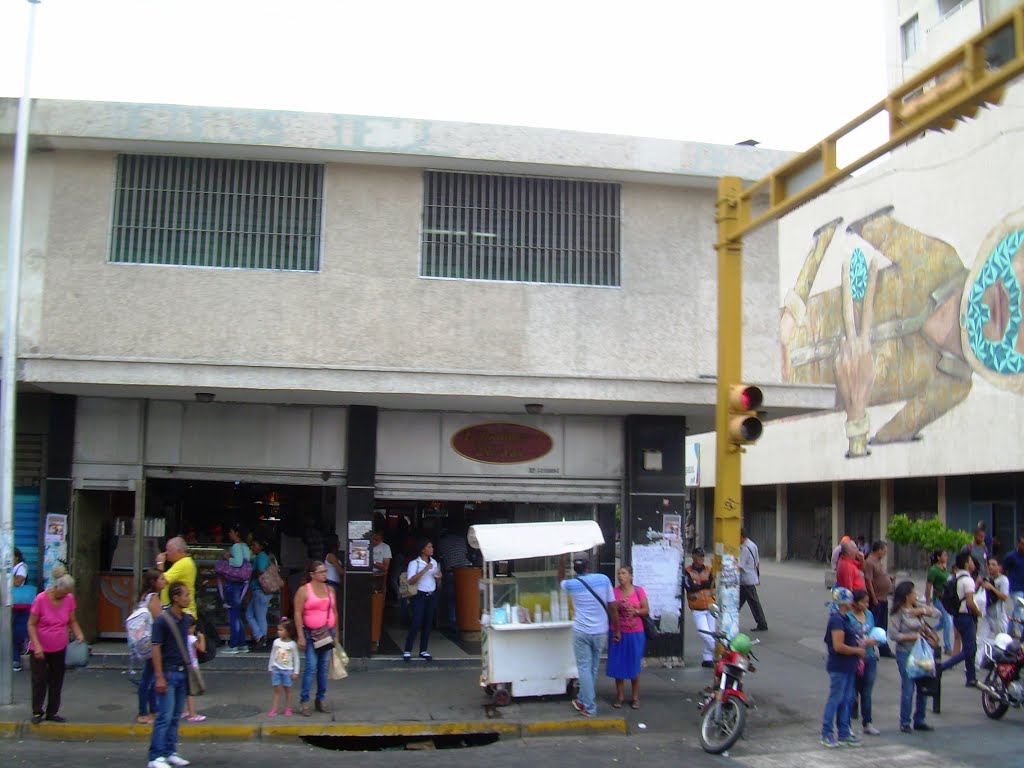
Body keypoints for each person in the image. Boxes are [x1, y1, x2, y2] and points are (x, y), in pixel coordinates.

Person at [560, 556, 617, 718]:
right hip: (600, 632)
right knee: (592, 668)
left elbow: (560, 580)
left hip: (581, 632)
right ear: (588, 566)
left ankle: (590, 707)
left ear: (575, 569)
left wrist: (562, 560)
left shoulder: (572, 584)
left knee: (584, 668)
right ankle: (582, 699)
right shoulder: (603, 579)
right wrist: (617, 628)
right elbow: (612, 605)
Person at [26, 573, 85, 725]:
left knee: (56, 680)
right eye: (63, 593)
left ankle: (52, 711)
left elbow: (72, 620)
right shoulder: (40, 599)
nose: (65, 596)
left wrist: (79, 634)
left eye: (67, 594)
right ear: (56, 588)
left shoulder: (69, 599)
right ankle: (37, 711)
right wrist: (37, 645)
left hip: (59, 647)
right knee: (40, 680)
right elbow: (31, 624)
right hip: (40, 648)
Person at [148, 581, 193, 768]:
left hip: (182, 672)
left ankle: (170, 751)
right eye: (185, 595)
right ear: (176, 598)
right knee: (164, 716)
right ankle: (155, 756)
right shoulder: (162, 621)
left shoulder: (185, 619)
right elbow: (156, 648)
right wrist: (159, 676)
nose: (188, 598)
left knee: (175, 716)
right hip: (168, 672)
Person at [889, 580, 940, 733]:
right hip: (905, 652)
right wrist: (913, 636)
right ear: (906, 596)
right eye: (913, 593)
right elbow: (893, 634)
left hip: (921, 652)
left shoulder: (917, 607)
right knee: (908, 686)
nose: (915, 595)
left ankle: (920, 719)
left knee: (923, 685)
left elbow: (938, 614)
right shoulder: (898, 612)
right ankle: (905, 721)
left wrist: (922, 611)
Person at [820, 587, 866, 748]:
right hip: (839, 666)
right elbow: (838, 646)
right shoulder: (837, 620)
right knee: (836, 699)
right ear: (844, 602)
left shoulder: (845, 619)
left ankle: (844, 732)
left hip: (848, 666)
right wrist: (857, 650)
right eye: (850, 599)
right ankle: (826, 732)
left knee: (846, 700)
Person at [294, 560, 337, 716]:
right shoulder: (304, 590)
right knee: (311, 667)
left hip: (327, 633)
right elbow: (297, 613)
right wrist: (300, 636)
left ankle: (320, 698)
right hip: (311, 634)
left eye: (325, 571)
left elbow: (335, 612)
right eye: (321, 572)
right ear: (312, 574)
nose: (325, 574)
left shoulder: (330, 589)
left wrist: (336, 636)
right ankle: (304, 700)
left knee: (323, 667)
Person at [606, 565, 648, 709]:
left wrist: (635, 611)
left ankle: (635, 697)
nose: (620, 576)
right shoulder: (614, 592)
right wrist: (616, 606)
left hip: (635, 632)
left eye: (624, 573)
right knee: (619, 664)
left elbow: (646, 610)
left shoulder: (638, 591)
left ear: (631, 576)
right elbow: (610, 611)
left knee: (633, 664)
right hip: (618, 632)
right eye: (619, 573)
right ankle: (620, 696)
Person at [937, 551, 981, 687]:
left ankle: (971, 677)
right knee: (970, 649)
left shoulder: (954, 578)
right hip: (967, 616)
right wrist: (978, 612)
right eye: (971, 561)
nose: (973, 564)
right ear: (967, 564)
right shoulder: (968, 581)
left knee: (969, 645)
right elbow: (969, 602)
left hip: (957, 616)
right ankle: (942, 667)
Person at [136, 569, 167, 725]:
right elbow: (159, 619)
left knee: (150, 675)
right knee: (149, 677)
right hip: (152, 641)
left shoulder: (144, 597)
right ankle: (145, 711)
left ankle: (153, 709)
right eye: (161, 579)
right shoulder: (153, 598)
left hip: (145, 640)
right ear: (153, 582)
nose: (165, 581)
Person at [403, 539, 442, 662]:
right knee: (416, 622)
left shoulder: (434, 562)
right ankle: (408, 650)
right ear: (423, 549)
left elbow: (437, 577)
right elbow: (411, 580)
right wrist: (425, 570)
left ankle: (423, 650)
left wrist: (439, 577)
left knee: (428, 623)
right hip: (419, 595)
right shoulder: (415, 563)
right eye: (429, 547)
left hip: (431, 594)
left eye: (432, 547)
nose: (432, 549)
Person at [848, 589, 880, 736]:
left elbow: (873, 632)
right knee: (851, 693)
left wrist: (873, 641)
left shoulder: (869, 615)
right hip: (853, 657)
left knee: (866, 692)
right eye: (863, 602)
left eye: (868, 602)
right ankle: (846, 724)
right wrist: (858, 642)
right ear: (855, 603)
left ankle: (867, 722)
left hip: (869, 656)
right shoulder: (848, 617)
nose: (867, 605)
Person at [221, 524, 252, 654]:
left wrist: (228, 558)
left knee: (233, 614)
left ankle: (233, 644)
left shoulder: (236, 547)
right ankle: (242, 643)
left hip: (234, 583)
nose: (230, 534)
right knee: (237, 614)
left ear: (236, 533)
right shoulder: (246, 547)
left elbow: (238, 562)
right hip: (243, 584)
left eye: (231, 531)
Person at [683, 548, 717, 668]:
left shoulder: (709, 569)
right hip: (697, 607)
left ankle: (707, 658)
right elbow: (690, 587)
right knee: (703, 631)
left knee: (711, 632)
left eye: (702, 556)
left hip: (710, 605)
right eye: (699, 556)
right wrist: (704, 584)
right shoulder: (687, 571)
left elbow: (712, 583)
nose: (701, 558)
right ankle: (717, 650)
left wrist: (698, 585)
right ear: (693, 556)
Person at [436, 528, 473, 634]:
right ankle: (465, 621)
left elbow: (440, 556)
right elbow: (466, 554)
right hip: (465, 572)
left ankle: (453, 623)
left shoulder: (442, 542)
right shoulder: (462, 539)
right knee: (464, 598)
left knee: (451, 598)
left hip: (450, 572)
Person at [863, 541, 894, 657]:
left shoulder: (878, 562)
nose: (886, 552)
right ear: (879, 550)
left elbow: (879, 576)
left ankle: (884, 648)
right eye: (884, 549)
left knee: (882, 625)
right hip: (877, 598)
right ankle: (868, 648)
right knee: (873, 624)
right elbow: (868, 581)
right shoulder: (870, 562)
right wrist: (873, 597)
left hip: (884, 598)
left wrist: (888, 580)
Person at [978, 556, 1010, 667]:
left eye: (993, 565)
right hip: (987, 615)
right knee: (981, 640)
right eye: (989, 565)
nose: (990, 567)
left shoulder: (1003, 580)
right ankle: (977, 664)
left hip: (999, 616)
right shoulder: (986, 578)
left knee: (1001, 642)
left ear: (999, 567)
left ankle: (1003, 665)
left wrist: (991, 588)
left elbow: (1004, 597)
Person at [267, 618, 301, 717]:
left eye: (281, 630)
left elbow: (296, 659)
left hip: (287, 670)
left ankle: (288, 708)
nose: (279, 632)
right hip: (276, 669)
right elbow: (273, 655)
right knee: (277, 690)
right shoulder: (276, 642)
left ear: (288, 631)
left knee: (288, 690)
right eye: (278, 629)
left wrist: (296, 672)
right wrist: (270, 667)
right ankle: (274, 709)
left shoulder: (292, 645)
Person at [157, 537, 197, 618]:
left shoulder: (183, 563)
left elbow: (160, 581)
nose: (166, 553)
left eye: (169, 550)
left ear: (180, 551)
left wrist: (160, 563)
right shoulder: (181, 563)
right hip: (178, 612)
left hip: (183, 613)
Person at [924, 550, 953, 654]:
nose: (946, 557)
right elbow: (928, 586)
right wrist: (927, 601)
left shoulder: (945, 569)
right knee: (947, 622)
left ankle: (929, 632)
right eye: (944, 555)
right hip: (938, 599)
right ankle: (948, 647)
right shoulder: (934, 570)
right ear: (938, 557)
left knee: (943, 622)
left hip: (946, 599)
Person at [739, 529, 768, 632]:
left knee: (754, 603)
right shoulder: (753, 545)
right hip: (750, 577)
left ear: (741, 536)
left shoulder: (745, 548)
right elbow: (757, 562)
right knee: (739, 601)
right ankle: (730, 618)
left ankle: (762, 623)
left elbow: (740, 565)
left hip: (746, 579)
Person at [246, 538, 272, 650]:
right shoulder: (263, 556)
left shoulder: (261, 556)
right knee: (249, 614)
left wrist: (252, 572)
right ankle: (260, 636)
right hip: (261, 591)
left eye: (255, 545)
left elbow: (261, 571)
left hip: (260, 590)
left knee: (259, 616)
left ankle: (262, 640)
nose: (252, 547)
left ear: (261, 546)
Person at [11, 548, 31, 672]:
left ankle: (16, 660)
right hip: (13, 604)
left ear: (16, 557)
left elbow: (18, 582)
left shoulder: (21, 567)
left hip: (20, 606)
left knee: (16, 632)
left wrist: (6, 576)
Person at [181, 624, 206, 722]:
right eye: (192, 627)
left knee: (184, 690)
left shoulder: (181, 637)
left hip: (184, 665)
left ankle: (185, 710)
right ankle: (192, 714)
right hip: (192, 667)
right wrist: (201, 638)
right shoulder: (191, 638)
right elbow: (202, 649)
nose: (193, 629)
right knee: (191, 691)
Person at [1003, 536, 1024, 624]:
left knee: (1017, 610)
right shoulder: (1011, 556)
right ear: (1018, 544)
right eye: (1023, 544)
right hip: (1015, 587)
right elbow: (1003, 568)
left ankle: (1009, 630)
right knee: (1020, 608)